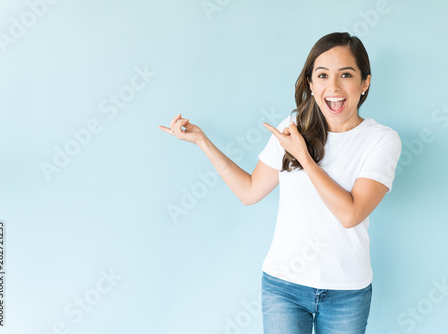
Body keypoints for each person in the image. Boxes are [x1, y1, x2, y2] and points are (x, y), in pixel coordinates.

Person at [159, 32, 402, 334]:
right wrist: (202, 142)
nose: (334, 87)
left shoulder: (381, 140)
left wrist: (305, 157)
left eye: (346, 75)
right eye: (323, 75)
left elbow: (350, 214)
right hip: (283, 287)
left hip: (347, 292)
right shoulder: (293, 130)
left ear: (364, 83)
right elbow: (249, 191)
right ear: (311, 84)